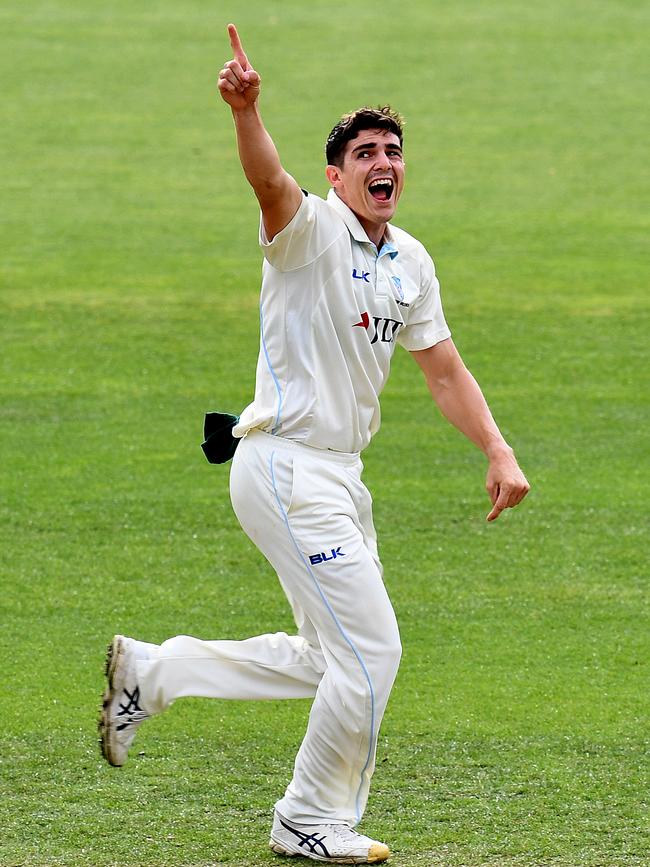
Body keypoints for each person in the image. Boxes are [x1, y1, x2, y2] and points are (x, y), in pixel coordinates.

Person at [99, 23, 530, 865]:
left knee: (327, 656)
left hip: (338, 475)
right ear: (338, 175)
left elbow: (444, 371)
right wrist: (247, 111)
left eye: (394, 150)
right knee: (373, 653)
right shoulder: (310, 232)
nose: (383, 162)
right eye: (365, 151)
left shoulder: (410, 261)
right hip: (286, 466)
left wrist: (498, 447)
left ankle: (154, 673)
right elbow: (267, 180)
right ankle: (307, 817)